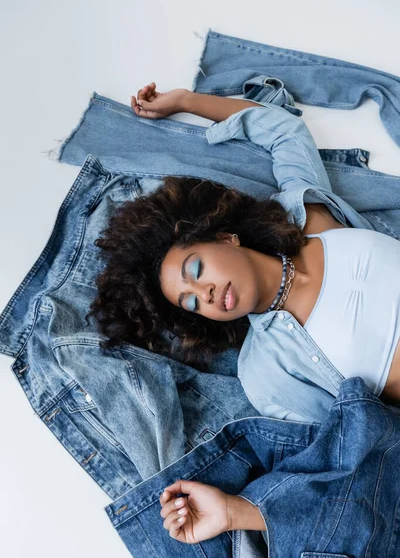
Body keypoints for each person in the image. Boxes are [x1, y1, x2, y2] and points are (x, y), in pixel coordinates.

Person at [90, 82, 400, 425]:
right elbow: (338, 443)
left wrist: (186, 100)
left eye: (196, 270)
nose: (203, 294)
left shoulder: (307, 216)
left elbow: (284, 131)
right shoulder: (263, 373)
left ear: (225, 238)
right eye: (191, 303)